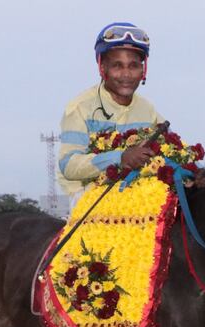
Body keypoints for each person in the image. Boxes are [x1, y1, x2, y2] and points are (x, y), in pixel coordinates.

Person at [58, 22, 163, 198]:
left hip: (138, 195)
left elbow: (173, 150)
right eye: (117, 66)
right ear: (102, 67)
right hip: (88, 198)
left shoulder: (148, 109)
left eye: (133, 66)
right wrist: (120, 158)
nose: (126, 74)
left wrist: (194, 172)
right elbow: (69, 165)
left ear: (143, 70)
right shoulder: (80, 108)